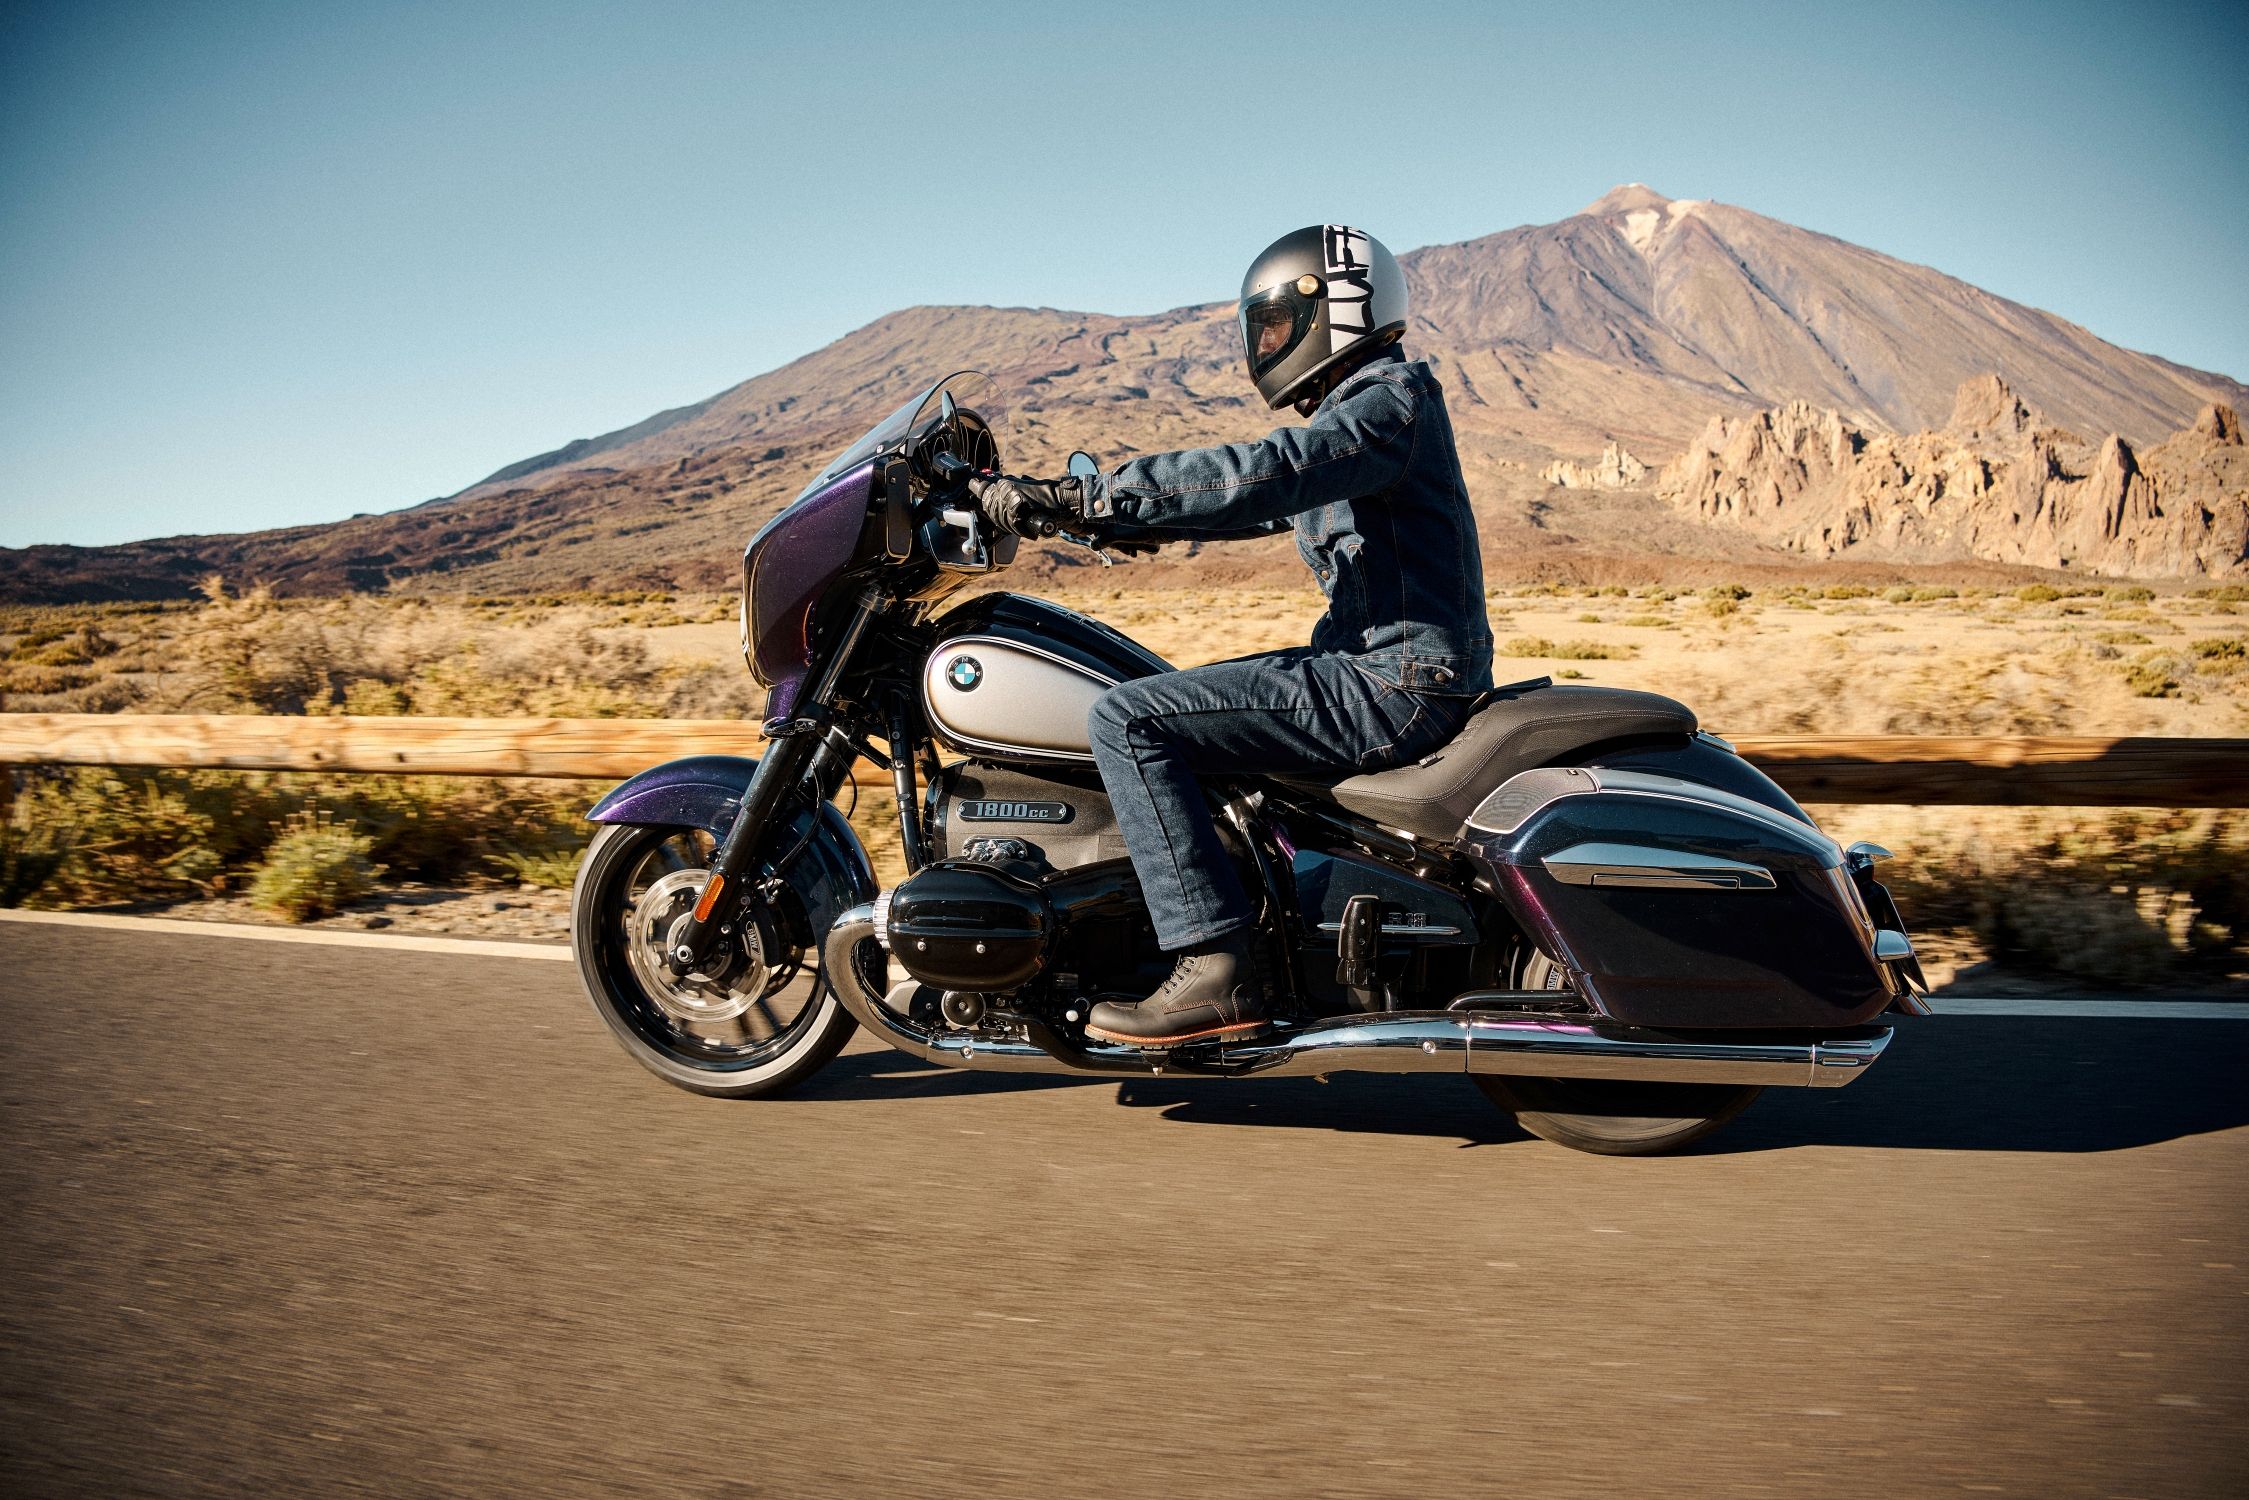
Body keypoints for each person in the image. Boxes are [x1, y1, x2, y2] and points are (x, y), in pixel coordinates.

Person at [971, 225, 1492, 1048]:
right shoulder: (1371, 410)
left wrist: (1087, 496)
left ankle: (1212, 965)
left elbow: (1266, 473)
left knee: (1128, 719)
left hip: (1389, 683)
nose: (1265, 344)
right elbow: (1259, 505)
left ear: (1334, 310)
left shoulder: (1384, 403)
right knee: (1162, 695)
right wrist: (1112, 525)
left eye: (1277, 324)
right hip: (1378, 671)